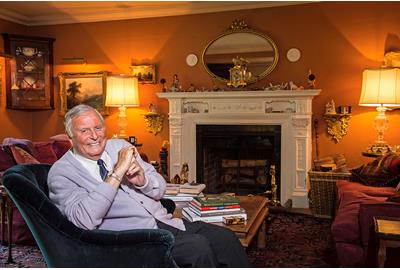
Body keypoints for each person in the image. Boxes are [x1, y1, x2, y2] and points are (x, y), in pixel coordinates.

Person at [48, 104, 251, 268]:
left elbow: (160, 188)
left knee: (225, 238)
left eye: (98, 128)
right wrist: (117, 173)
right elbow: (83, 220)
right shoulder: (61, 172)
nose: (95, 136)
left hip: (164, 222)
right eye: (84, 131)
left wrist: (142, 181)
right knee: (197, 248)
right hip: (131, 240)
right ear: (70, 137)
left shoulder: (120, 146)